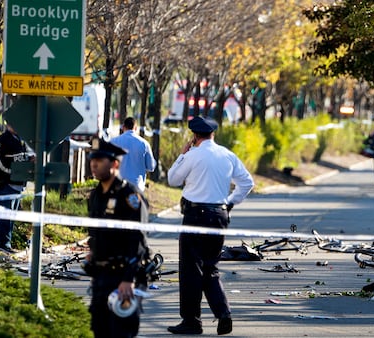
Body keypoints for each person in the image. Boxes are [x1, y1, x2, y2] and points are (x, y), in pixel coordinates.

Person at [166, 116, 254, 336]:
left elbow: (173, 180)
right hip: (218, 215)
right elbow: (247, 182)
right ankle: (223, 313)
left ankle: (191, 321)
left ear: (195, 136)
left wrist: (182, 155)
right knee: (210, 267)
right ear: (213, 134)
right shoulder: (227, 155)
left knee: (189, 270)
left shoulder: (193, 154)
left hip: (195, 215)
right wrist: (230, 203)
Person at [85, 138, 150, 338]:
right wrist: (92, 253)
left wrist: (128, 279)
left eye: (100, 160)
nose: (94, 164)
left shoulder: (129, 195)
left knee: (121, 332)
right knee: (99, 330)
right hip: (101, 276)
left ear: (115, 163)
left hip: (124, 276)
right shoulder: (95, 195)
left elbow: (137, 240)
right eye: (92, 159)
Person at [0, 123, 33, 253]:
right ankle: (2, 244)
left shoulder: (20, 140)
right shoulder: (2, 141)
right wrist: (10, 173)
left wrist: (30, 159)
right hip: (5, 184)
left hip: (18, 184)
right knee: (5, 217)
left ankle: (7, 243)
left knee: (11, 216)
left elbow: (21, 158)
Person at [110, 117, 156, 192]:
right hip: (137, 187)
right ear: (136, 128)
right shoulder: (144, 144)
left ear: (123, 127)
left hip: (117, 186)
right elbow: (151, 167)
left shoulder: (113, 142)